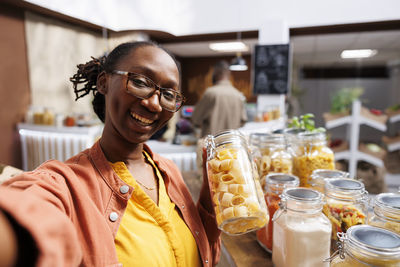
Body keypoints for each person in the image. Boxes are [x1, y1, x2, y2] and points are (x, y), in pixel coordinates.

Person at [0, 41, 221, 266]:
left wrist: (212, 195)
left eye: (169, 94)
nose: (154, 104)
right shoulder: (66, 183)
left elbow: (202, 254)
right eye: (140, 82)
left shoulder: (168, 170)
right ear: (104, 82)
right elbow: (29, 212)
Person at [191, 60, 247, 138]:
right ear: (229, 74)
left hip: (212, 145)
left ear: (216, 73)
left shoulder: (210, 93)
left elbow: (196, 118)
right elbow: (243, 121)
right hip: (231, 145)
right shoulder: (238, 94)